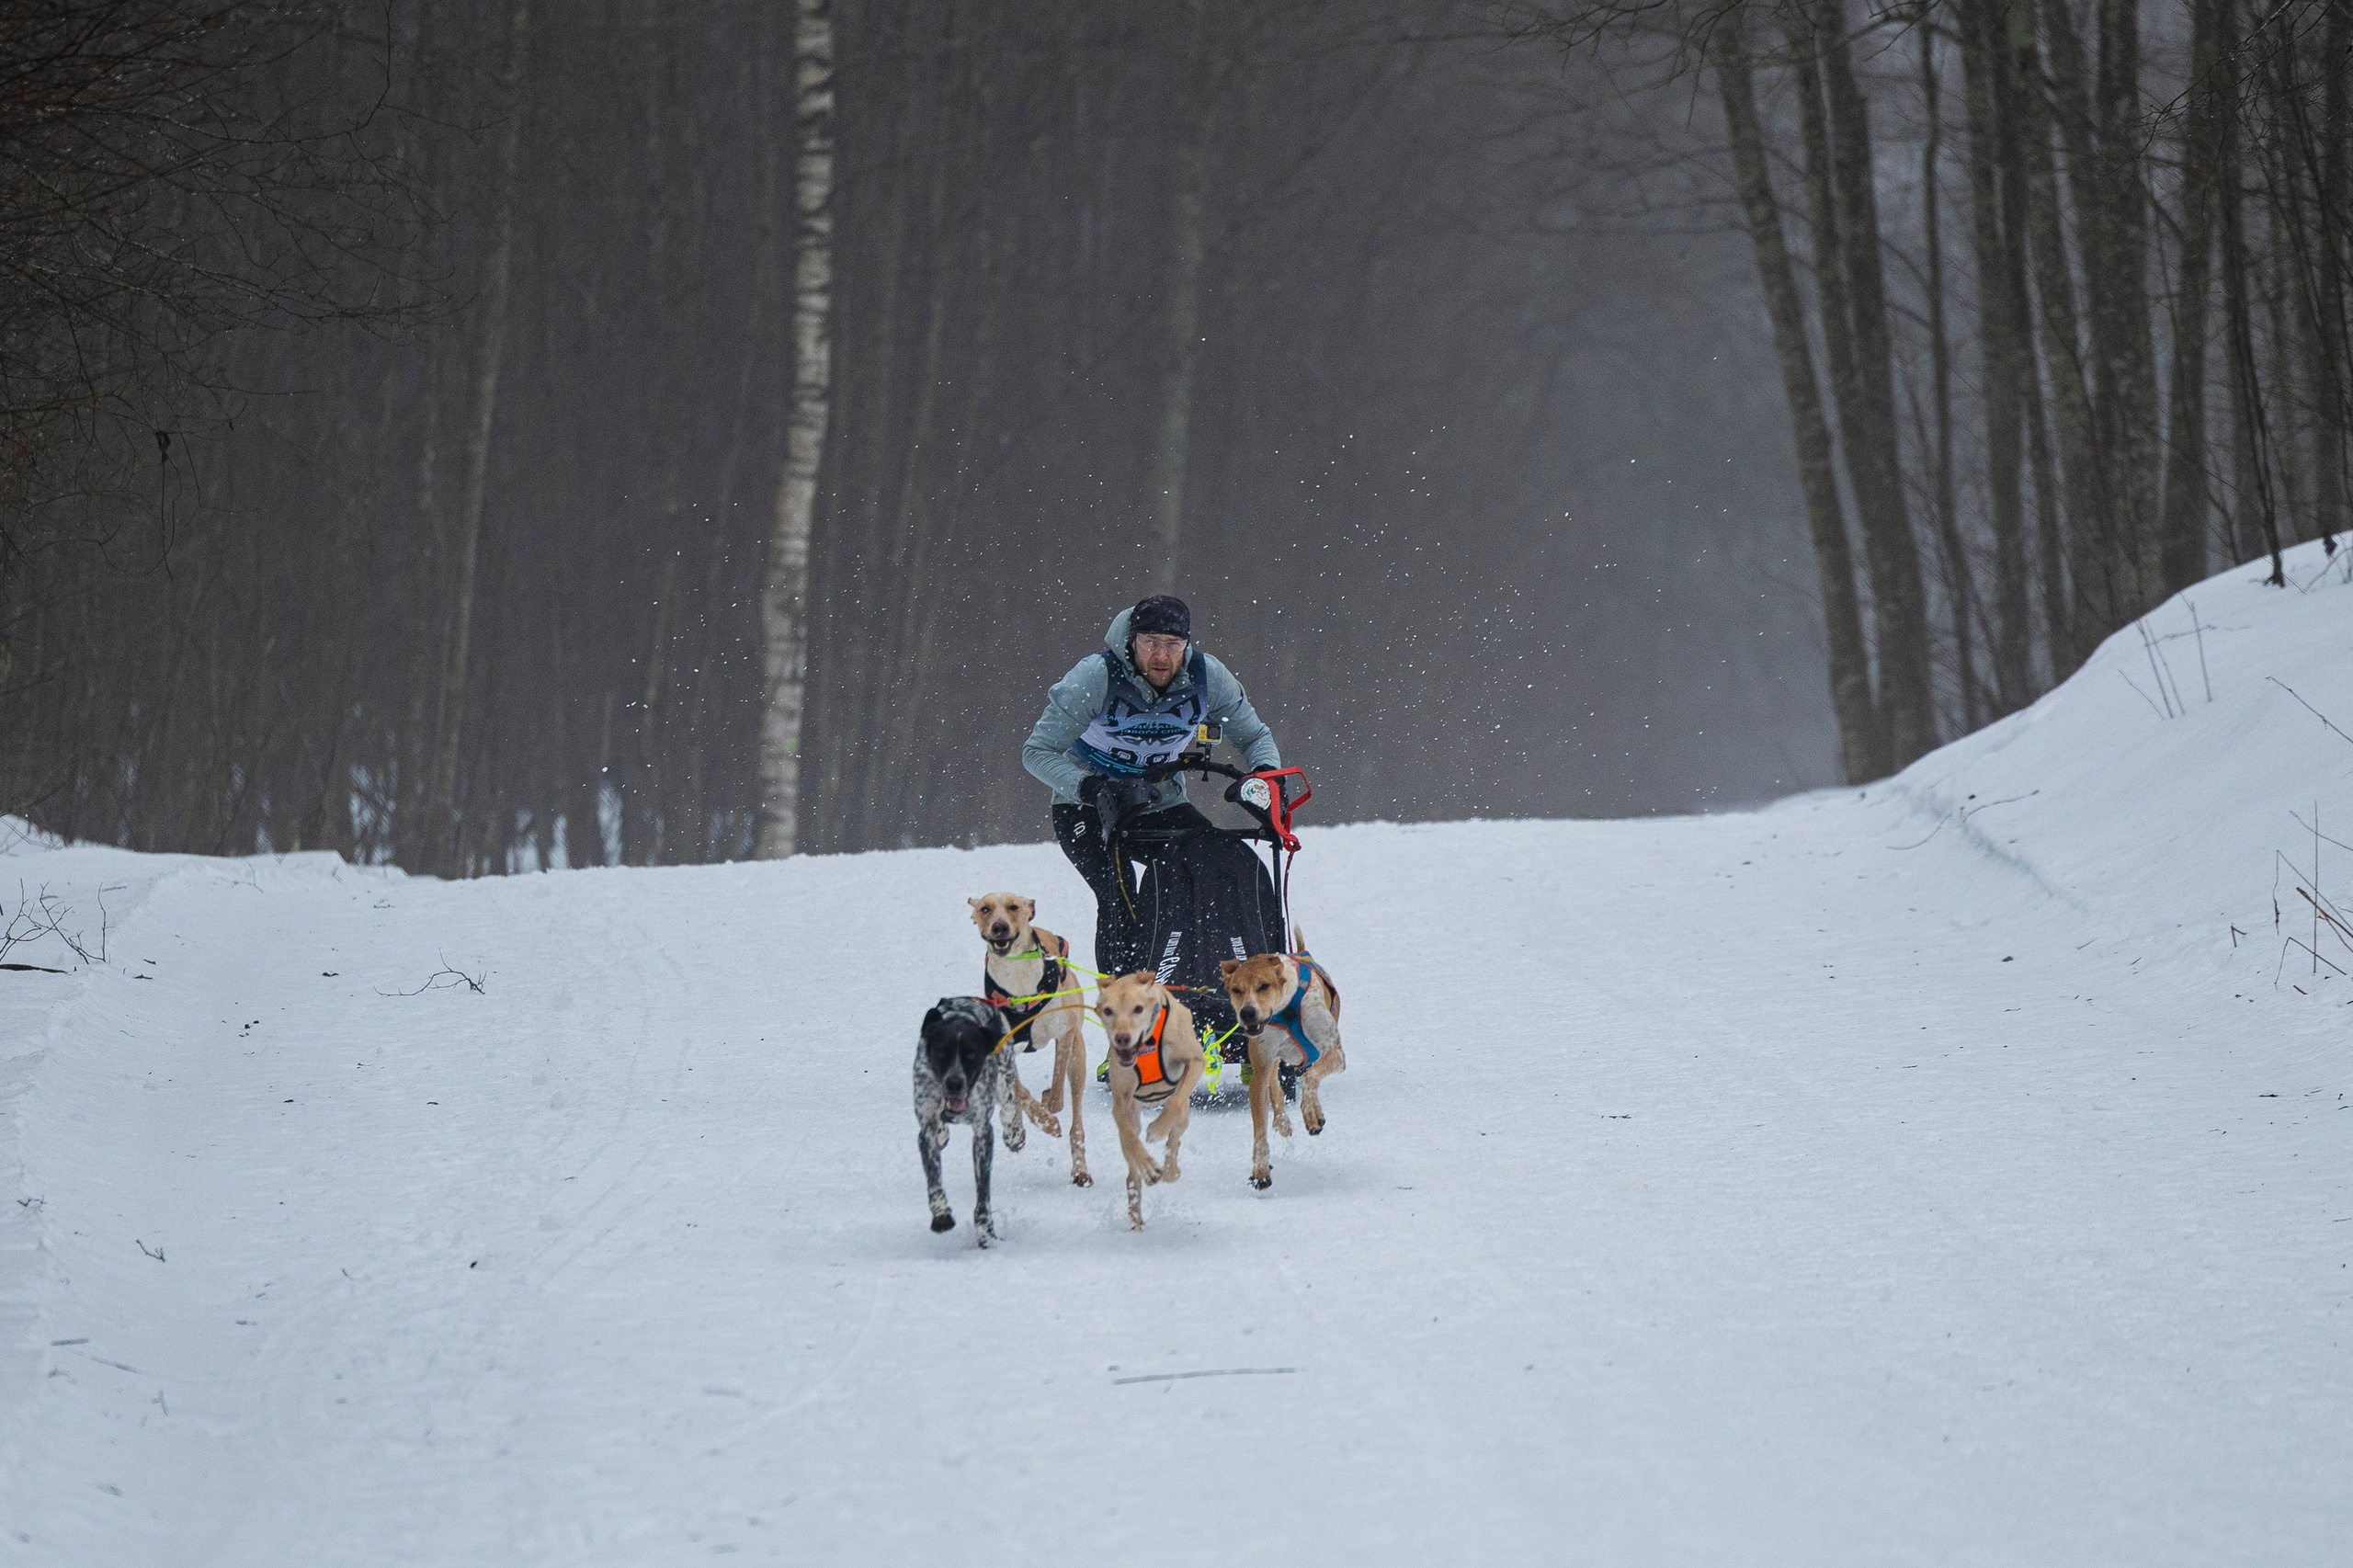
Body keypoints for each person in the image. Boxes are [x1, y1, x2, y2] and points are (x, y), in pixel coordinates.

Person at [1022, 594, 1281, 977]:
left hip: (1159, 800)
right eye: (1151, 644)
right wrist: (1090, 787)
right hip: (1087, 806)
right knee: (1119, 888)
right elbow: (1037, 752)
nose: (1162, 656)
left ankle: (1210, 983)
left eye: (1172, 645)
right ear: (1131, 642)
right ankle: (1124, 1000)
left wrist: (1264, 778)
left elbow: (1255, 737)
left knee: (1213, 867)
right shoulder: (1095, 676)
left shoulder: (1208, 677)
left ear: (1186, 645)